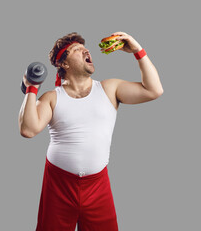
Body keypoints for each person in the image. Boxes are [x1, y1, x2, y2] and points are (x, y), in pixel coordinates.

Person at [18, 31, 163, 231]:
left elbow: (154, 90)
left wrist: (137, 50)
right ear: (64, 64)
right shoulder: (52, 97)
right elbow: (28, 130)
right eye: (77, 49)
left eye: (85, 48)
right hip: (59, 184)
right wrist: (32, 88)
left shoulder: (110, 88)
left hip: (98, 185)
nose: (86, 50)